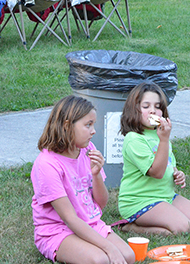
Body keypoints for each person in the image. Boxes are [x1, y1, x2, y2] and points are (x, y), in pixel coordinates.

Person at [31, 95, 135, 264]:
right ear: (66, 126)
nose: (93, 131)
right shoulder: (47, 164)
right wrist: (109, 248)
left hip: (90, 223)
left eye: (93, 124)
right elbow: (69, 218)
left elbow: (101, 203)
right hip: (58, 231)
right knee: (101, 260)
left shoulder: (88, 150)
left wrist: (96, 174)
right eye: (88, 125)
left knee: (128, 256)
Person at [117, 82, 190, 235]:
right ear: (134, 109)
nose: (153, 111)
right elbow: (157, 172)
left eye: (158, 107)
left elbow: (168, 165)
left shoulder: (159, 134)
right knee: (182, 227)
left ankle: (166, 213)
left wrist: (177, 174)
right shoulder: (134, 139)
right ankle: (130, 227)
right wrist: (164, 140)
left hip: (165, 196)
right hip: (140, 201)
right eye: (146, 106)